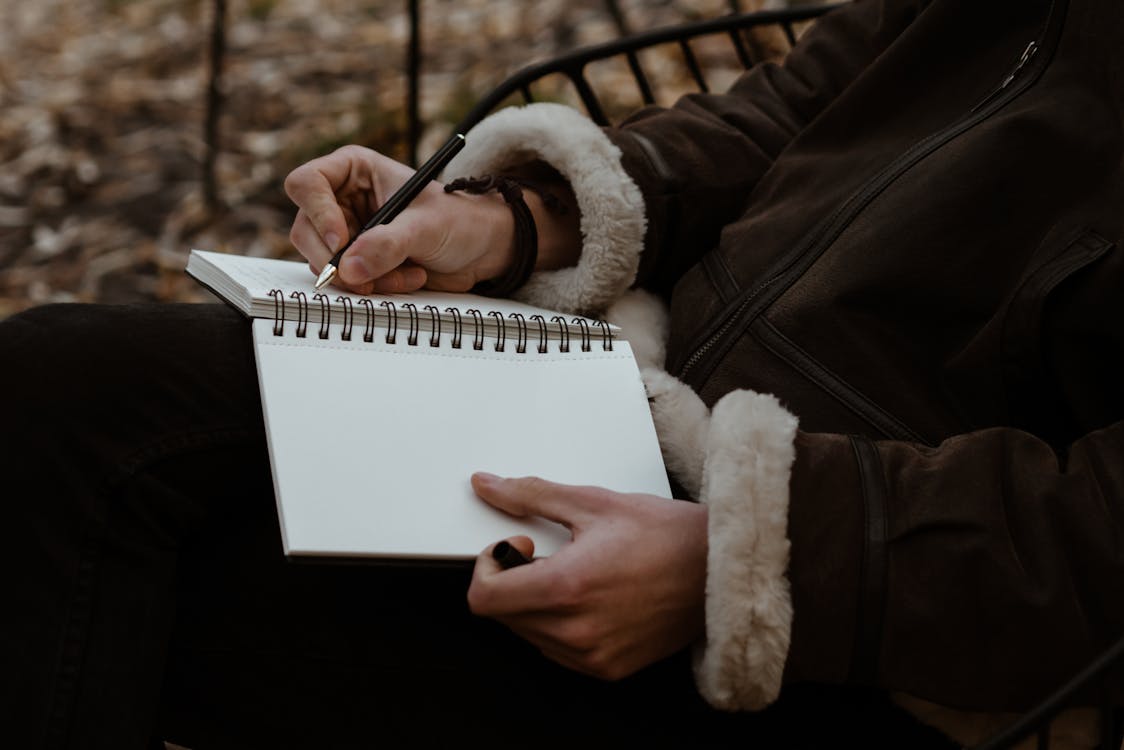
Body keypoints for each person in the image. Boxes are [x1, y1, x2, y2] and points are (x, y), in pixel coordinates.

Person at [3, 0, 1122, 746]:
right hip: (617, 391)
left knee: (108, 567)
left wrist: (743, 561)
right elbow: (790, 113)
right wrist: (512, 224)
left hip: (845, 628)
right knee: (53, 389)